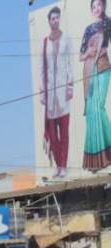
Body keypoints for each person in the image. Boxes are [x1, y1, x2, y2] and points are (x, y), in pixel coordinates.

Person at [42, 6, 74, 178]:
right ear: (49, 21)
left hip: (63, 93)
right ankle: (58, 165)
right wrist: (42, 92)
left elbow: (70, 63)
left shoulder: (66, 38)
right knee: (53, 135)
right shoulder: (45, 42)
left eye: (57, 18)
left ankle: (64, 166)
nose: (55, 21)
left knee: (65, 133)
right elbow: (42, 68)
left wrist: (70, 86)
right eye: (52, 18)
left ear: (59, 19)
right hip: (50, 96)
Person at [81, 0, 111, 171]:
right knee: (92, 112)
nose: (96, 9)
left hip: (104, 67)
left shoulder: (108, 22)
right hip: (90, 72)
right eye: (93, 7)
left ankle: (106, 155)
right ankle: (95, 161)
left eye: (99, 5)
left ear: (104, 6)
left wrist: (102, 49)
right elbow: (80, 55)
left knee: (98, 107)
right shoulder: (88, 29)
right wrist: (87, 53)